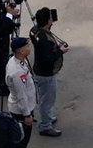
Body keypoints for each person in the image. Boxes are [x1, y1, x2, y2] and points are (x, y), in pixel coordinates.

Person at [28, 7, 67, 138]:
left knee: (45, 98)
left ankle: (48, 118)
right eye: (50, 18)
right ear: (47, 21)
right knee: (47, 100)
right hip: (46, 73)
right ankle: (45, 126)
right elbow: (48, 58)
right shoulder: (45, 39)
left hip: (39, 70)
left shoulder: (35, 31)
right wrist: (60, 51)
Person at [3, 36, 37, 148]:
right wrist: (27, 115)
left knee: (24, 137)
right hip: (21, 110)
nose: (29, 48)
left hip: (26, 105)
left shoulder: (18, 61)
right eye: (27, 46)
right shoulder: (16, 72)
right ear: (20, 51)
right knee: (21, 139)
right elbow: (21, 95)